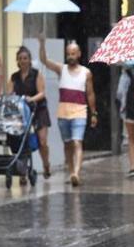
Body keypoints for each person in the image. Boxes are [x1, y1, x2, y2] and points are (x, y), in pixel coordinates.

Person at [39, 35, 98, 187]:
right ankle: (71, 171)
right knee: (67, 144)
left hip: (80, 112)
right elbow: (44, 61)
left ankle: (76, 173)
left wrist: (94, 113)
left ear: (79, 54)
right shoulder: (61, 69)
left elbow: (90, 94)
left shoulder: (86, 72)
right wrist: (42, 43)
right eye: (68, 54)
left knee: (77, 142)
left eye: (73, 53)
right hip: (63, 113)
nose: (71, 56)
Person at [8, 46, 52, 180]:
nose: (23, 61)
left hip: (38, 109)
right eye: (20, 58)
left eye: (25, 58)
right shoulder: (14, 77)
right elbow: (9, 93)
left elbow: (42, 92)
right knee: (21, 140)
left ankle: (46, 165)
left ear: (29, 60)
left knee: (42, 141)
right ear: (17, 60)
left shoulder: (36, 74)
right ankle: (22, 171)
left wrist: (31, 99)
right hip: (22, 112)